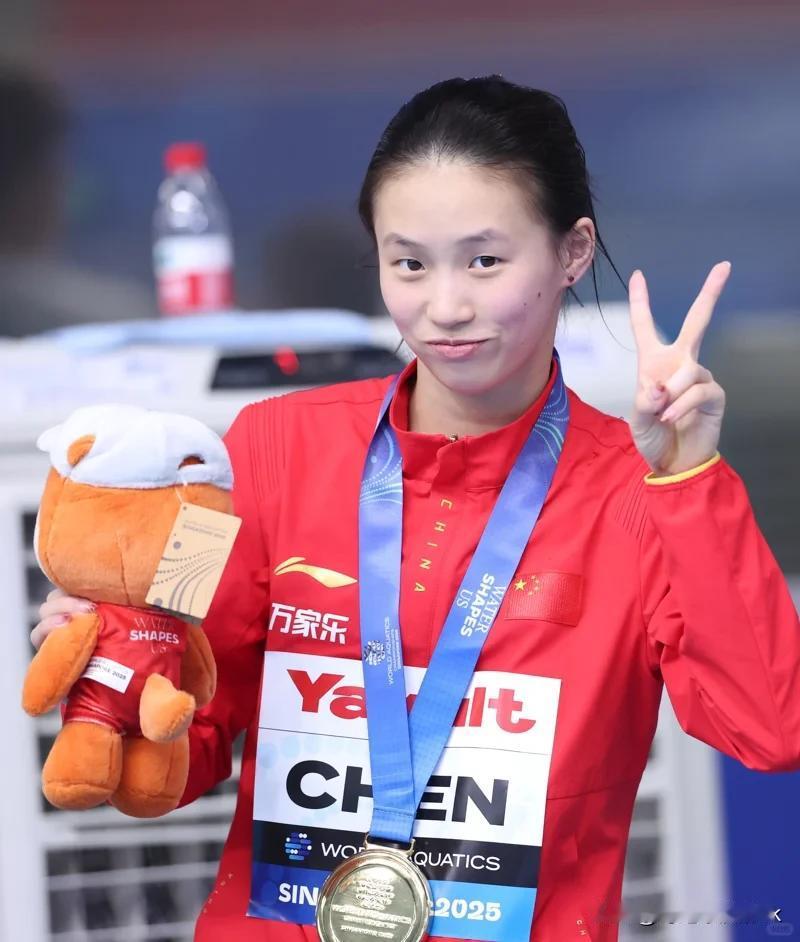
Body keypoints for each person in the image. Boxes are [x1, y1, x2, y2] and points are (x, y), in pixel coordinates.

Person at [31, 76, 800, 942]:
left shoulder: (640, 490)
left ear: (573, 252)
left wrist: (692, 478)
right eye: (409, 264)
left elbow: (772, 731)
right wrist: (113, 664)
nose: (444, 307)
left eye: (484, 261)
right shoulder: (259, 446)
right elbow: (178, 745)